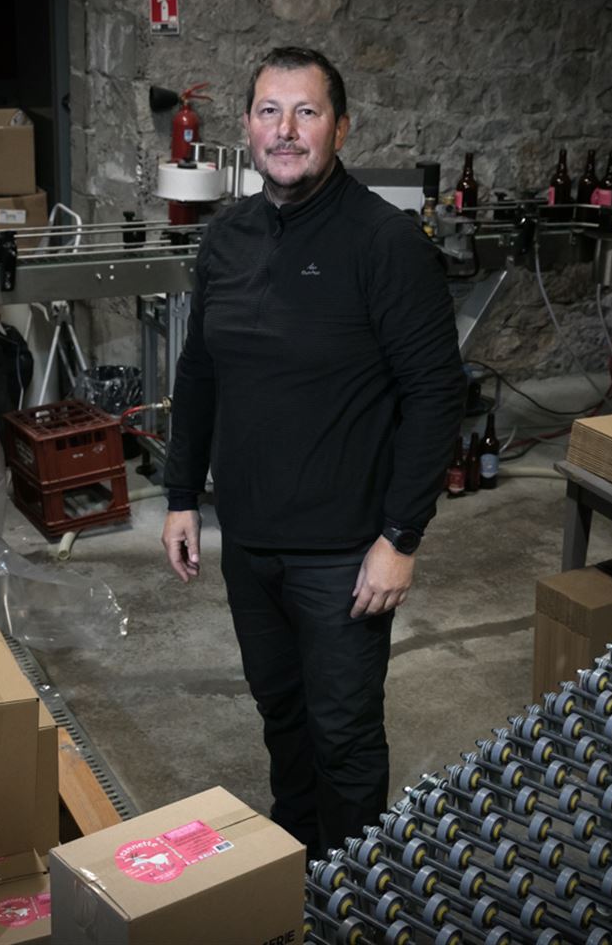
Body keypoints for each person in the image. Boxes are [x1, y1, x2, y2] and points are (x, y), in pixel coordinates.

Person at [160, 47, 465, 856]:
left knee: (344, 736)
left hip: (342, 554)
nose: (285, 131)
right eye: (268, 111)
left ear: (340, 126)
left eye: (305, 112)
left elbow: (437, 395)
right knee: (281, 718)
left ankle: (358, 892)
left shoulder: (383, 242)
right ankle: (296, 872)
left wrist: (400, 538)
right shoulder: (225, 239)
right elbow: (198, 373)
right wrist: (181, 494)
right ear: (247, 126)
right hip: (249, 541)